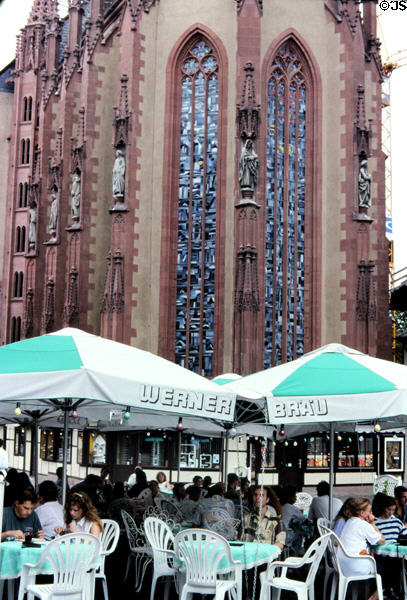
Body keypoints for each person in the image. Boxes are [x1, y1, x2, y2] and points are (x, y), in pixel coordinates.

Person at [338, 498, 385, 600]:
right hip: (355, 565)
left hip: (343, 564)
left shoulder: (349, 521)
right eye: (369, 511)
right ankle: (373, 597)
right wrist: (372, 523)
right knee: (389, 569)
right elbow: (382, 540)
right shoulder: (363, 524)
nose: (371, 513)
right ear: (362, 513)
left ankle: (372, 596)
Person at [373, 494, 406, 599]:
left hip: (395, 555)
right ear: (383, 508)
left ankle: (386, 590)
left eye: (393, 510)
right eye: (388, 509)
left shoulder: (396, 521)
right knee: (395, 565)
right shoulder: (375, 523)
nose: (391, 512)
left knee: (398, 563)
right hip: (379, 557)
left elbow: (404, 535)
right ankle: (385, 591)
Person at [280, 485, 307, 555]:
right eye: (295, 495)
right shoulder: (291, 507)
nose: (296, 497)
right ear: (291, 496)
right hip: (286, 535)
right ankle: (296, 554)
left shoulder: (281, 506)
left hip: (280, 533)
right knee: (299, 534)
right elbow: (303, 519)